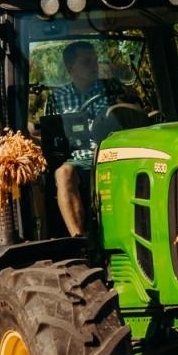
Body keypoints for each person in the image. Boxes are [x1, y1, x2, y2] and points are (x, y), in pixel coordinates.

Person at [44, 42, 128, 237]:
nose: (94, 65)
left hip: (112, 154)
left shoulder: (112, 87)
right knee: (62, 173)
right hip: (78, 159)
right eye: (86, 62)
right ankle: (79, 238)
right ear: (70, 68)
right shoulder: (57, 98)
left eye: (95, 60)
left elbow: (129, 117)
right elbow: (53, 137)